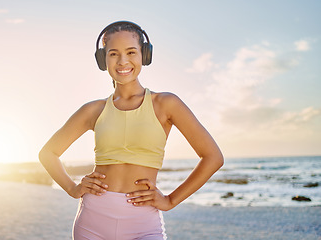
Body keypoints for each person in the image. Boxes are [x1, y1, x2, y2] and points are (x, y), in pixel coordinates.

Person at [39, 21, 224, 240]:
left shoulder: (166, 104)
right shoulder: (93, 110)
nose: (123, 61)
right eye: (113, 54)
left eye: (131, 52)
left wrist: (171, 200)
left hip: (143, 224)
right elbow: (48, 153)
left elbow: (213, 157)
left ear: (144, 55)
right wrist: (72, 188)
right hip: (93, 222)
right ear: (103, 59)